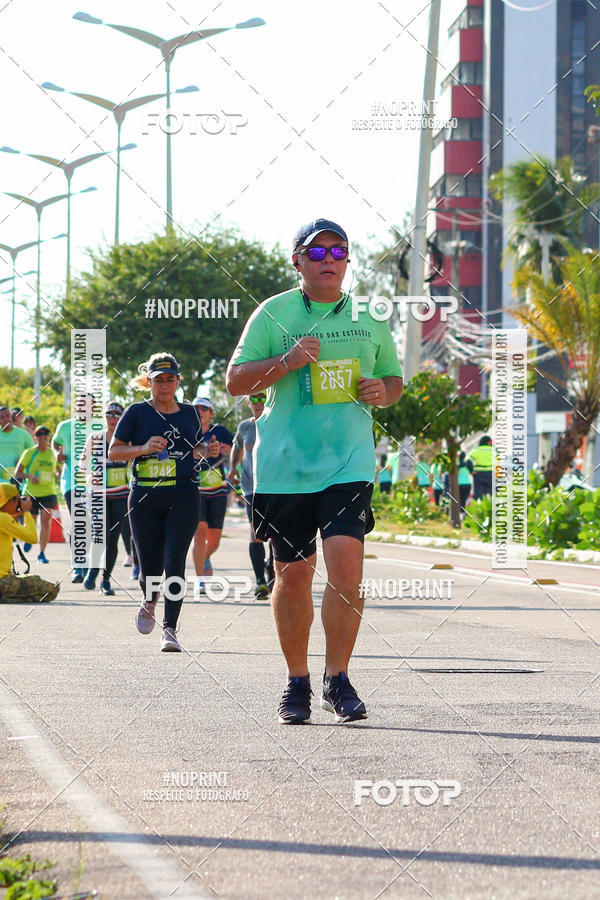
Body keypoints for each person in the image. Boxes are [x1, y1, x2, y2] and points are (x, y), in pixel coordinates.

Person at [226, 217, 403, 724]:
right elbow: (237, 382)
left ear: (348, 261)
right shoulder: (272, 313)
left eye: (339, 251)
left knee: (347, 569)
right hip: (284, 467)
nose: (329, 260)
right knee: (294, 574)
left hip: (348, 464)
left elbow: (393, 380)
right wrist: (287, 361)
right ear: (298, 261)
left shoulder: (369, 316)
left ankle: (338, 678)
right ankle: (297, 681)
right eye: (317, 252)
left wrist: (382, 391)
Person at [109, 352, 206, 652]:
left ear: (178, 381)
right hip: (145, 497)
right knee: (149, 567)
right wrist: (142, 448)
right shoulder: (136, 412)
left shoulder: (190, 413)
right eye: (158, 380)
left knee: (175, 561)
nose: (164, 385)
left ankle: (170, 629)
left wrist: (207, 449)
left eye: (170, 379)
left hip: (184, 495)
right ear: (148, 381)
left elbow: (195, 450)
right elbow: (114, 451)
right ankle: (149, 599)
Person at [229, 393, 274, 599]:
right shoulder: (245, 427)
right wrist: (232, 470)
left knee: (276, 534)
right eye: (254, 400)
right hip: (251, 489)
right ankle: (260, 582)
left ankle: (272, 570)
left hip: (276, 487)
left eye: (262, 398)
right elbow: (236, 448)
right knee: (256, 533)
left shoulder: (277, 423)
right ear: (248, 403)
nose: (259, 403)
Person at [83, 402, 130, 595]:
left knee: (113, 540)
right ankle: (93, 570)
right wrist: (88, 475)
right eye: (109, 414)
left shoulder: (127, 441)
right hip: (97, 495)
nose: (112, 418)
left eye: (117, 415)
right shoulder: (95, 438)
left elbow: (135, 461)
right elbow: (83, 462)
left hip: (120, 495)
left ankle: (106, 580)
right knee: (101, 535)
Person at [190, 397, 233, 592]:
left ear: (211, 413)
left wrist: (230, 451)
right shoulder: (187, 432)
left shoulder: (221, 432)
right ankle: (199, 579)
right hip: (195, 491)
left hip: (217, 491)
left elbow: (237, 449)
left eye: (204, 408)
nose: (200, 411)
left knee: (214, 539)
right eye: (196, 408)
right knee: (199, 534)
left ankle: (206, 556)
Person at [0, 483, 59, 603]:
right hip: (2, 580)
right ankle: (5, 597)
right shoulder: (4, 519)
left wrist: (16, 513)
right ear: (11, 501)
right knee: (51, 590)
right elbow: (32, 538)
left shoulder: (4, 519)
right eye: (17, 500)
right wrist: (27, 512)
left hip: (4, 579)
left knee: (31, 580)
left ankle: (6, 597)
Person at [15, 426, 58, 564]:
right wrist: (30, 476)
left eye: (46, 435)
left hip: (49, 492)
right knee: (32, 521)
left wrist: (57, 474)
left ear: (49, 438)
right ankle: (29, 539)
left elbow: (58, 470)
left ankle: (42, 553)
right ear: (35, 437)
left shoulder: (52, 453)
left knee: (46, 520)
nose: (43, 437)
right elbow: (18, 473)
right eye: (39, 435)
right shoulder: (30, 453)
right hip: (32, 492)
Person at [53, 413, 86, 583]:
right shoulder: (65, 426)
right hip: (71, 483)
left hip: (94, 483)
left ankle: (89, 564)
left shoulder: (99, 426)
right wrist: (57, 455)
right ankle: (78, 566)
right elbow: (55, 442)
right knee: (79, 522)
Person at [0, 405, 34, 485]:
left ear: (11, 417)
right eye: (2, 417)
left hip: (19, 482)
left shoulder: (23, 434)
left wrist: (23, 461)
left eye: (8, 416)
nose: (6, 419)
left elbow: (33, 454)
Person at [468, 435, 496, 500]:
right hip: (490, 474)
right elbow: (499, 463)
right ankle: (488, 508)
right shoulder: (494, 451)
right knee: (490, 495)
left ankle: (478, 508)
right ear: (489, 442)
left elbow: (468, 462)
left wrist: (471, 471)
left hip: (479, 475)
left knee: (478, 495)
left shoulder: (476, 450)